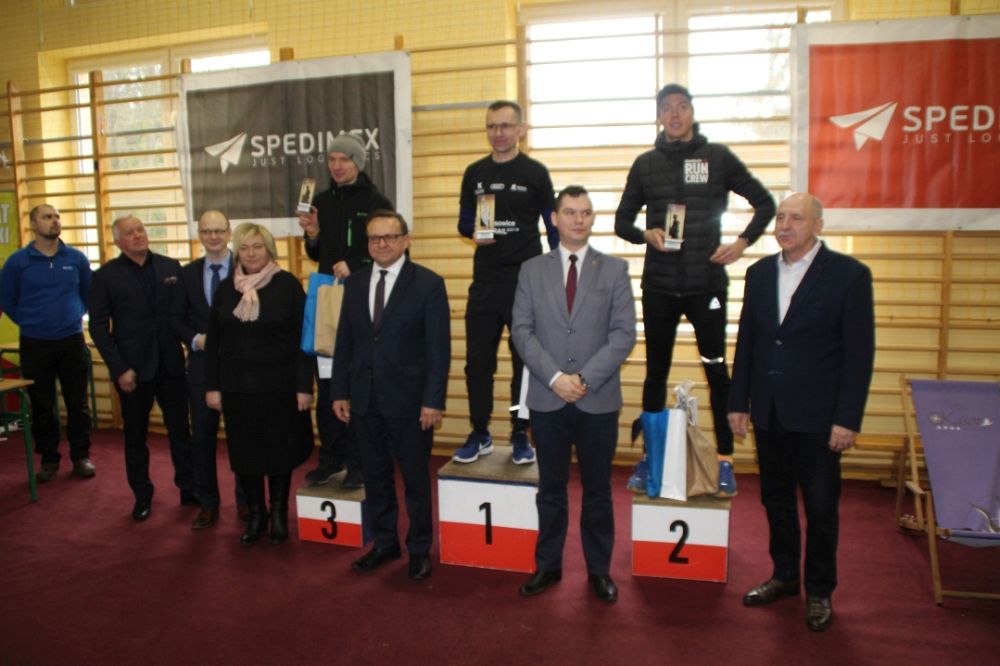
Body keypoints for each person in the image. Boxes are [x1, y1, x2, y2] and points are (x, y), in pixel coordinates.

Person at [615, 83, 776, 497]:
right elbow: (621, 222)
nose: (675, 114)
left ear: (692, 112)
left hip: (708, 287)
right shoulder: (645, 164)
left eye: (682, 106)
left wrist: (742, 243)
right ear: (658, 116)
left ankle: (724, 460)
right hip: (659, 287)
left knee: (716, 369)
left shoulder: (717, 157)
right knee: (655, 372)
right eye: (667, 108)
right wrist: (645, 234)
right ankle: (651, 458)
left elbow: (765, 203)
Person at [727, 192, 875, 632]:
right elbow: (749, 342)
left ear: (818, 226)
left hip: (820, 418)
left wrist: (847, 418)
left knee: (821, 508)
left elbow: (859, 354)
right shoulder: (758, 273)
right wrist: (738, 402)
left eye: (796, 218)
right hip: (769, 412)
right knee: (775, 501)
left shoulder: (849, 275)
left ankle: (820, 591)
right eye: (780, 218)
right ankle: (785, 576)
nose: (785, 226)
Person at [511, 186, 636, 602]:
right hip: (547, 399)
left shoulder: (614, 269)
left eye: (585, 212)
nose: (578, 219)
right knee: (551, 489)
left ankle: (598, 570)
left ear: (593, 218)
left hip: (597, 399)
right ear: (554, 218)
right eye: (570, 212)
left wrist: (583, 378)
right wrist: (554, 378)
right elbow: (522, 332)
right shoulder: (531, 269)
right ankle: (548, 566)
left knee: (598, 491)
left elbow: (624, 334)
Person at [332, 211, 450, 581]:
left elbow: (438, 349)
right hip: (364, 399)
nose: (381, 244)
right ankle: (385, 543)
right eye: (374, 238)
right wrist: (340, 391)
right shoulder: (355, 283)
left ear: (405, 239)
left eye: (389, 237)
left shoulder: (428, 283)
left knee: (415, 480)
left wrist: (433, 400)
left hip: (411, 402)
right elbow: (345, 341)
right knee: (375, 476)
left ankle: (419, 549)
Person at [453, 99, 557, 466]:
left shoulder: (535, 173)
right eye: (492, 126)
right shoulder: (474, 173)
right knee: (477, 363)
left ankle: (519, 431)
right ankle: (479, 431)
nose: (498, 133)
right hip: (485, 280)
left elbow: (553, 228)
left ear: (521, 129)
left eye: (506, 126)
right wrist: (473, 232)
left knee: (523, 363)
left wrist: (558, 273)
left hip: (525, 282)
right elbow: (464, 222)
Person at [204, 223, 314, 546]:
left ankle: (278, 514)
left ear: (269, 250)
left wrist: (304, 386)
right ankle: (256, 515)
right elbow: (214, 344)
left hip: (280, 389)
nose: (251, 253)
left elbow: (303, 340)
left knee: (279, 454)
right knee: (245, 455)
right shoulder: (226, 290)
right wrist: (212, 386)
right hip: (237, 390)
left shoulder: (288, 286)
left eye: (257, 247)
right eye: (244, 247)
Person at [299, 132, 393, 489]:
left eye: (344, 159)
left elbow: (388, 252)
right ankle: (330, 458)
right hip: (328, 303)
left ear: (358, 162)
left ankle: (358, 462)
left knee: (356, 386)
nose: (337, 166)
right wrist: (312, 234)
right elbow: (316, 253)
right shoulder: (321, 201)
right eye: (332, 159)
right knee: (327, 384)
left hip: (363, 304)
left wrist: (355, 264)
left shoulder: (376, 201)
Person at [89, 215, 194, 522]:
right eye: (129, 233)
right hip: (132, 370)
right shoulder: (105, 276)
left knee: (181, 432)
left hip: (171, 365)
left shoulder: (170, 267)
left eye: (140, 230)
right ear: (117, 241)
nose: (137, 235)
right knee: (135, 437)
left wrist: (190, 349)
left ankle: (189, 488)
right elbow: (98, 328)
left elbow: (183, 314)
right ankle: (142, 496)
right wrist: (119, 368)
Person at [0, 204, 94, 481]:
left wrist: (74, 315)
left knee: (78, 402)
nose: (54, 221)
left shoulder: (76, 258)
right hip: (35, 342)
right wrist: (30, 321)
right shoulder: (18, 261)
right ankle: (49, 459)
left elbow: (88, 294)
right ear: (33, 224)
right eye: (47, 217)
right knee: (42, 404)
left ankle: (81, 456)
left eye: (56, 216)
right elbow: (7, 299)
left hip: (71, 339)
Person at [170, 210, 247, 529]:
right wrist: (194, 339)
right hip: (202, 368)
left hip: (241, 368)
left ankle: (247, 503)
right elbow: (175, 317)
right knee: (202, 439)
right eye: (206, 231)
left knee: (242, 438)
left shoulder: (248, 269)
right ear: (199, 235)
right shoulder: (187, 274)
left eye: (218, 230)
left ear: (229, 233)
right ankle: (208, 503)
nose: (213, 236)